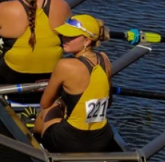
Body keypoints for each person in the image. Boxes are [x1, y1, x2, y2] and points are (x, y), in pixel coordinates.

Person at [34, 14, 119, 153]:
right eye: (64, 35)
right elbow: (108, 103)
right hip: (102, 139)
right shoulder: (105, 59)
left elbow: (45, 103)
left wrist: (60, 103)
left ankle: (34, 139)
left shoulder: (65, 65)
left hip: (69, 142)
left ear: (87, 41)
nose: (64, 39)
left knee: (47, 111)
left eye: (71, 36)